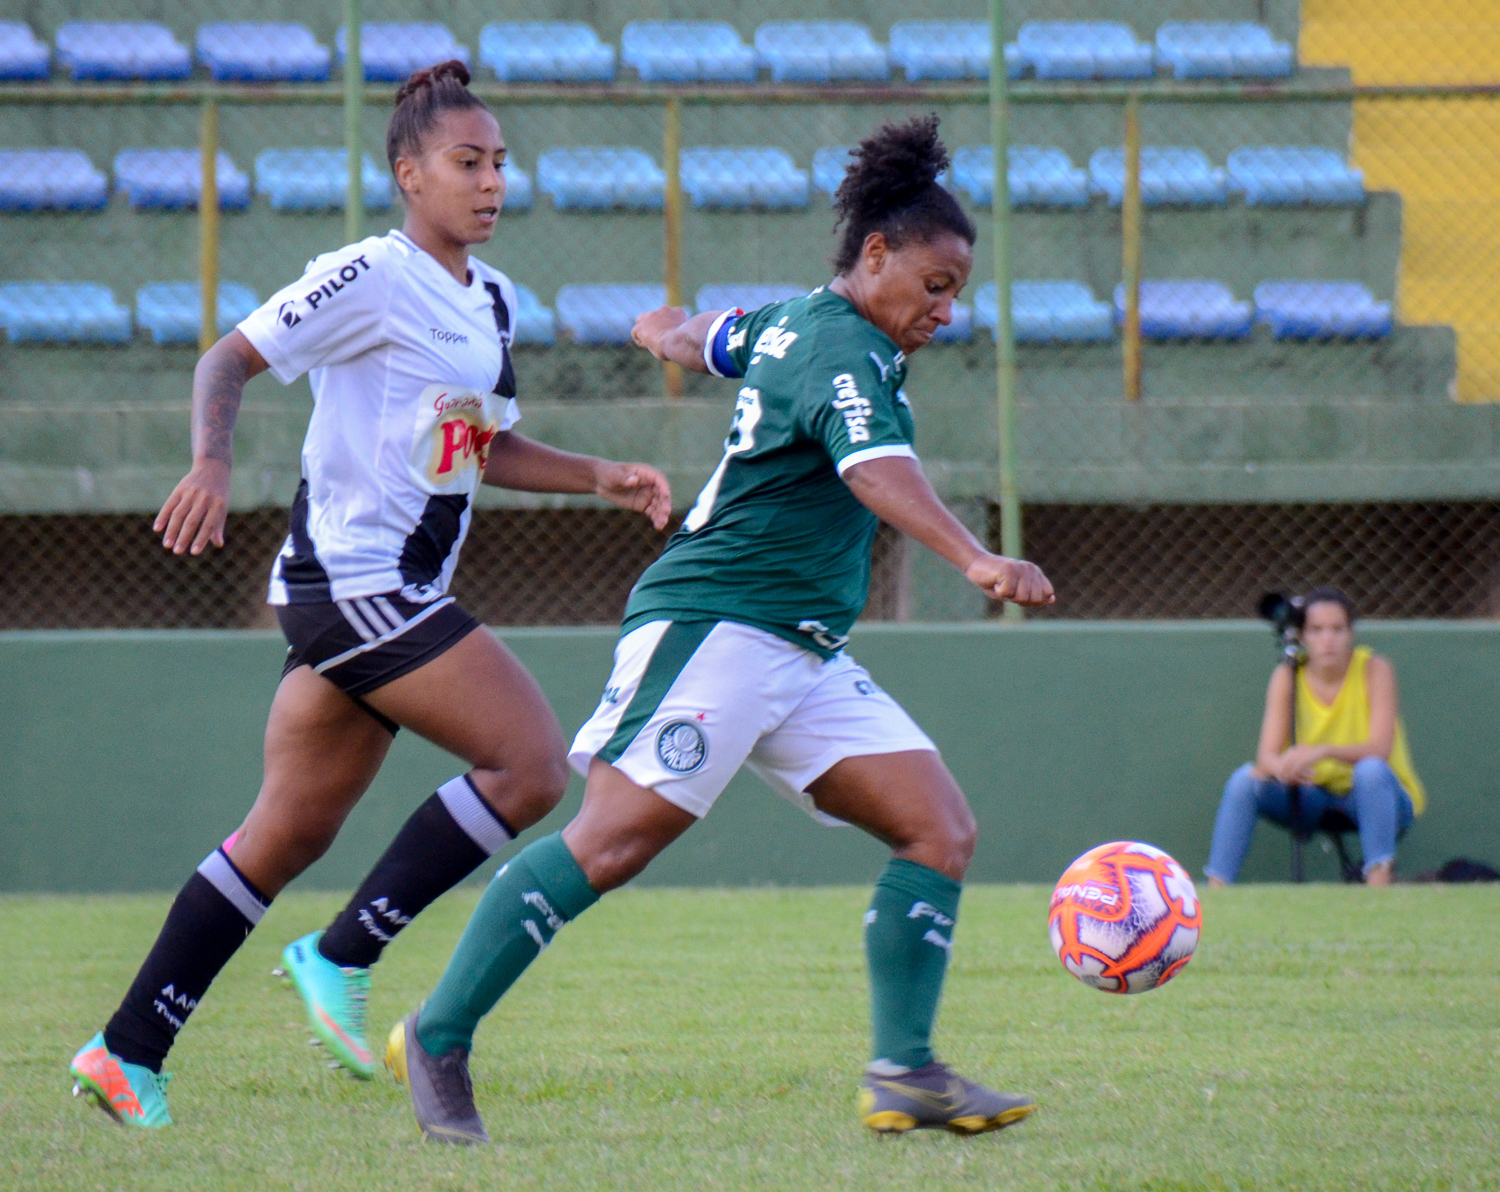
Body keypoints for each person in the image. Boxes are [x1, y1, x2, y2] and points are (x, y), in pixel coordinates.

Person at [382, 115, 1056, 1146]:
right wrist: (975, 557)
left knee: (938, 828)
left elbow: (714, 338)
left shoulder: (796, 324)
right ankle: (437, 1032)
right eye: (934, 284)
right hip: (716, 624)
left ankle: (905, 1069)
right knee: (609, 842)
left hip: (799, 646)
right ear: (875, 255)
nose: (946, 309)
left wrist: (667, 329)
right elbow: (875, 472)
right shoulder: (844, 352)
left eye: (956, 289)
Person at [68, 61, 671, 1129]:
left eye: (498, 164)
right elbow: (228, 359)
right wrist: (211, 463)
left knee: (284, 832)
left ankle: (128, 1049)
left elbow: (478, 442)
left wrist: (597, 476)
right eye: (466, 162)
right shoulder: (368, 274)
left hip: (388, 594)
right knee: (532, 762)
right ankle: (343, 954)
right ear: (409, 174)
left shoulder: (491, 297)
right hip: (350, 584)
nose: (490, 182)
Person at [1205, 587, 1425, 887]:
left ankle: (1379, 882)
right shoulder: (1288, 675)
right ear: (1302, 635)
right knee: (1245, 780)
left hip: (1375, 797)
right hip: (1313, 796)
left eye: (1337, 629)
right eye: (1317, 630)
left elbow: (1380, 748)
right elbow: (1266, 756)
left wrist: (1321, 751)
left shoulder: (1375, 669)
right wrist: (1283, 767)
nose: (1328, 640)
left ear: (1351, 633)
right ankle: (1215, 890)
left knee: (1371, 770)